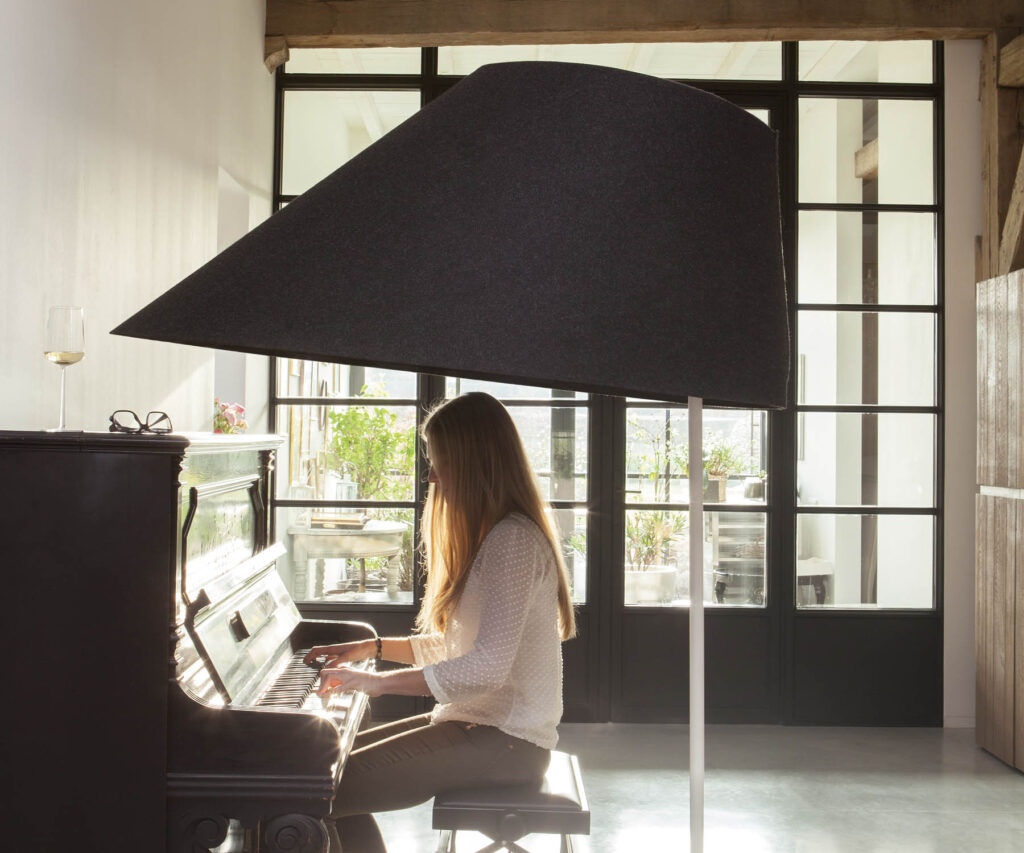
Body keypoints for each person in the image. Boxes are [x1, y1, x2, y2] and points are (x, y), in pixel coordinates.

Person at [304, 391, 577, 853]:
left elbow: (485, 668)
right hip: (481, 728)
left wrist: (374, 684)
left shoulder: (513, 541)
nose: (431, 476)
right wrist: (372, 650)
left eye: (440, 461)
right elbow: (460, 647)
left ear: (475, 463)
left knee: (315, 789)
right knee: (321, 773)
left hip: (509, 743)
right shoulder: (498, 535)